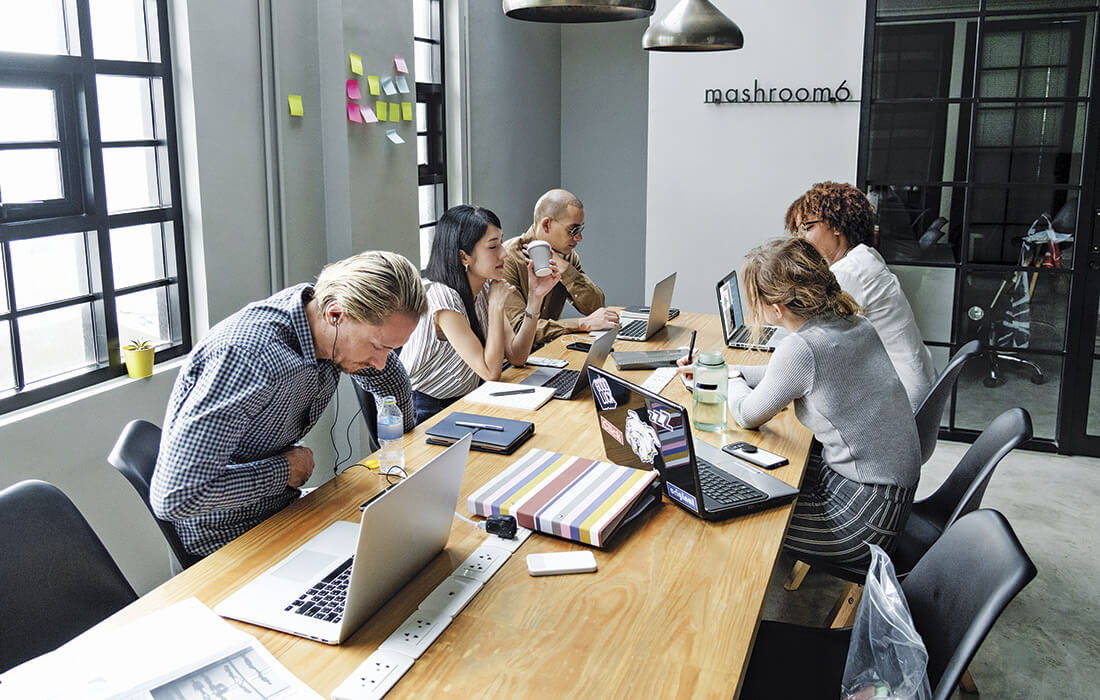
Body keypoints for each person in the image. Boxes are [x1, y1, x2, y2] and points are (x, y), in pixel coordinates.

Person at [151, 251, 427, 557]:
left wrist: (403, 441)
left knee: (406, 550)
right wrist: (284, 470)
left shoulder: (320, 317)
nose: (379, 362)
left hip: (285, 507)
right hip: (229, 538)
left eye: (391, 348)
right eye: (377, 346)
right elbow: (176, 497)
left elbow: (388, 377)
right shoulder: (247, 359)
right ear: (335, 315)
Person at [684, 238, 919, 567]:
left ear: (776, 308)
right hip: (890, 498)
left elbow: (746, 414)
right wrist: (726, 370)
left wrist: (730, 379)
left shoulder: (802, 350)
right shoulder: (854, 324)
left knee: (726, 512)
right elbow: (783, 375)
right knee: (750, 472)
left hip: (864, 521)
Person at [401, 205, 561, 424]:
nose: (504, 253)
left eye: (501, 242)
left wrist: (535, 297)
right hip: (427, 408)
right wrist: (495, 307)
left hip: (467, 397)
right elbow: (490, 372)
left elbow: (517, 356)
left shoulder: (486, 287)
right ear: (464, 256)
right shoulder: (444, 300)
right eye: (493, 246)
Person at [786, 181, 936, 411]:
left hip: (900, 400)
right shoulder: (866, 256)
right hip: (912, 384)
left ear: (836, 226)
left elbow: (809, 342)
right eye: (798, 231)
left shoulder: (850, 272)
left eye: (807, 227)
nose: (801, 239)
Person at [502, 189, 618, 346]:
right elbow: (518, 329)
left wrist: (566, 271)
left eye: (581, 230)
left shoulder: (567, 256)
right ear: (547, 225)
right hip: (509, 363)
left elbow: (596, 307)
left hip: (544, 353)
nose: (579, 238)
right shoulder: (507, 259)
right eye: (573, 230)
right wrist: (581, 324)